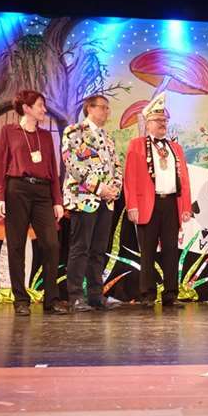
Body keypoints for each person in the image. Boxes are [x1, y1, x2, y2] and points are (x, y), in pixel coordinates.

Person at [0, 90, 66, 316]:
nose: (44, 109)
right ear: (26, 108)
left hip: (43, 191)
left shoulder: (45, 136)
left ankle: (51, 300)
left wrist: (57, 200)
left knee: (51, 244)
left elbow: (53, 169)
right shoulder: (9, 131)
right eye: (40, 105)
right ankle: (21, 299)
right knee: (16, 245)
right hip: (17, 190)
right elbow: (0, 164)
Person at [123, 92, 192, 308]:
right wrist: (132, 205)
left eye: (165, 120)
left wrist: (185, 206)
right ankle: (147, 293)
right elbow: (130, 177)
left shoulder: (175, 148)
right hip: (147, 204)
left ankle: (171, 293)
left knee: (171, 249)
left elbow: (184, 179)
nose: (163, 124)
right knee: (148, 251)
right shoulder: (136, 145)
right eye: (158, 120)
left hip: (170, 203)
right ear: (148, 123)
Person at [62, 95, 123, 311]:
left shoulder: (107, 137)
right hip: (83, 199)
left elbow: (116, 166)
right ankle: (75, 296)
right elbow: (73, 165)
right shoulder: (74, 131)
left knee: (99, 249)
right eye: (103, 107)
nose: (106, 112)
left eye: (108, 108)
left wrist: (114, 188)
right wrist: (99, 188)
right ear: (90, 108)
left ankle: (96, 295)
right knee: (81, 248)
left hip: (106, 201)